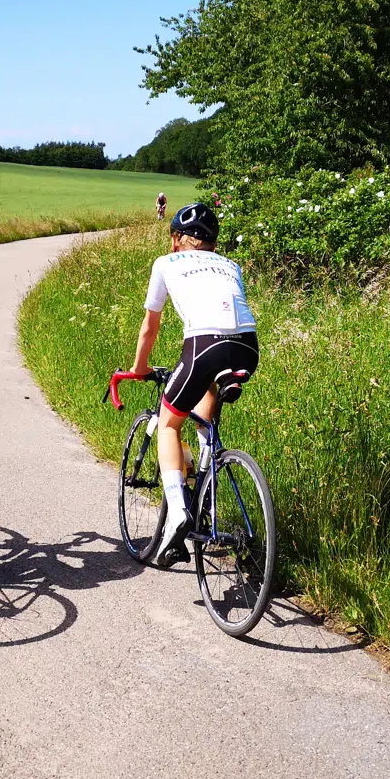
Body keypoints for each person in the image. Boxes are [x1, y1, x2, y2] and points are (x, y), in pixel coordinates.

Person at [129, 202, 259, 565]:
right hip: (247, 347)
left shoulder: (166, 263)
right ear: (214, 243)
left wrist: (139, 368)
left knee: (170, 424)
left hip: (205, 346)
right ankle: (206, 481)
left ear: (175, 239)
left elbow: (150, 327)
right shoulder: (231, 265)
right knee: (205, 405)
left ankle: (178, 513)